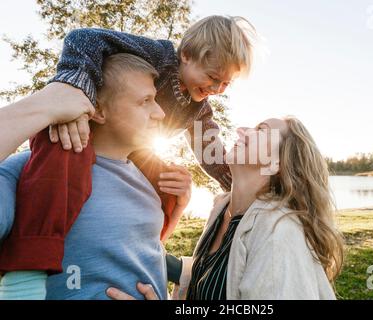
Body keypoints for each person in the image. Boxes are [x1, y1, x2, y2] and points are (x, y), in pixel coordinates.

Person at [0, 15, 256, 279]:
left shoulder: (199, 109)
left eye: (226, 83)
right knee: (59, 169)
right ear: (187, 55)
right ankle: (28, 264)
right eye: (213, 77)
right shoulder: (160, 56)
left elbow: (210, 151)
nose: (218, 89)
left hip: (134, 153)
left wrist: (240, 186)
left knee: (168, 184)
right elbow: (84, 38)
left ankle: (140, 254)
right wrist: (78, 88)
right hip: (85, 129)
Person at [0, 54, 191, 300]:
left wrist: (179, 206)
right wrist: (45, 107)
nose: (160, 113)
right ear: (98, 110)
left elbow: (143, 247)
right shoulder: (31, 171)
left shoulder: (148, 180)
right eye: (146, 101)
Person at [107, 117, 345, 300]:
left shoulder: (278, 231)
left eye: (261, 130)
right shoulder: (222, 210)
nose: (241, 130)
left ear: (276, 164)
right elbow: (221, 274)